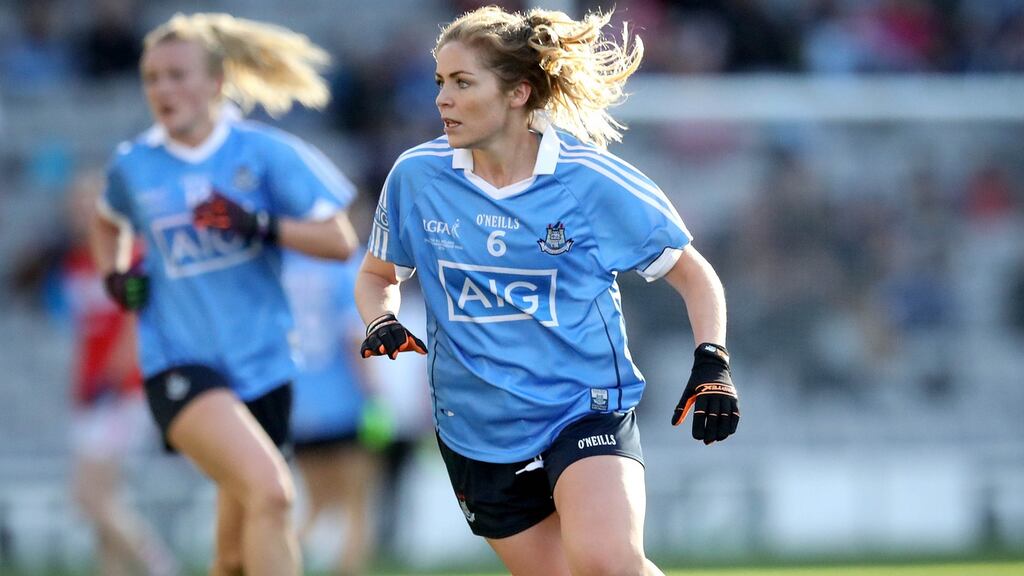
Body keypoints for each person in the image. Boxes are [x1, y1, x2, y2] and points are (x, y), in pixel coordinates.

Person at [354, 6, 740, 575]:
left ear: (518, 92)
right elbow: (376, 276)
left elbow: (693, 273)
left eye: (463, 83)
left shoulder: (590, 180)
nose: (442, 99)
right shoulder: (416, 177)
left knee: (607, 563)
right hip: (474, 428)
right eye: (440, 82)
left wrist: (713, 361)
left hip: (582, 408)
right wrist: (380, 319)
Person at [88, 13, 358, 576]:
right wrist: (114, 276)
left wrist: (256, 224)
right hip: (180, 365)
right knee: (275, 493)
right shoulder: (134, 165)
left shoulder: (263, 153)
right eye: (152, 78)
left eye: (177, 75)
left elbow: (339, 241)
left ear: (216, 83)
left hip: (265, 368)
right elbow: (106, 222)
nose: (163, 89)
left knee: (234, 556)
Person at [15, 170, 179, 576]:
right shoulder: (73, 262)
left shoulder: (130, 255)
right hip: (91, 389)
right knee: (106, 499)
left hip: (122, 390)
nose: (82, 213)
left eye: (91, 204)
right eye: (75, 205)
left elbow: (134, 325)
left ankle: (162, 566)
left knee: (88, 495)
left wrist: (111, 379)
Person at [282, 248, 382, 576]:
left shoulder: (281, 264)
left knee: (318, 506)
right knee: (357, 505)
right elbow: (355, 338)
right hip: (343, 404)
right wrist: (375, 397)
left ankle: (282, 559)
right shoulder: (342, 265)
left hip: (296, 406)